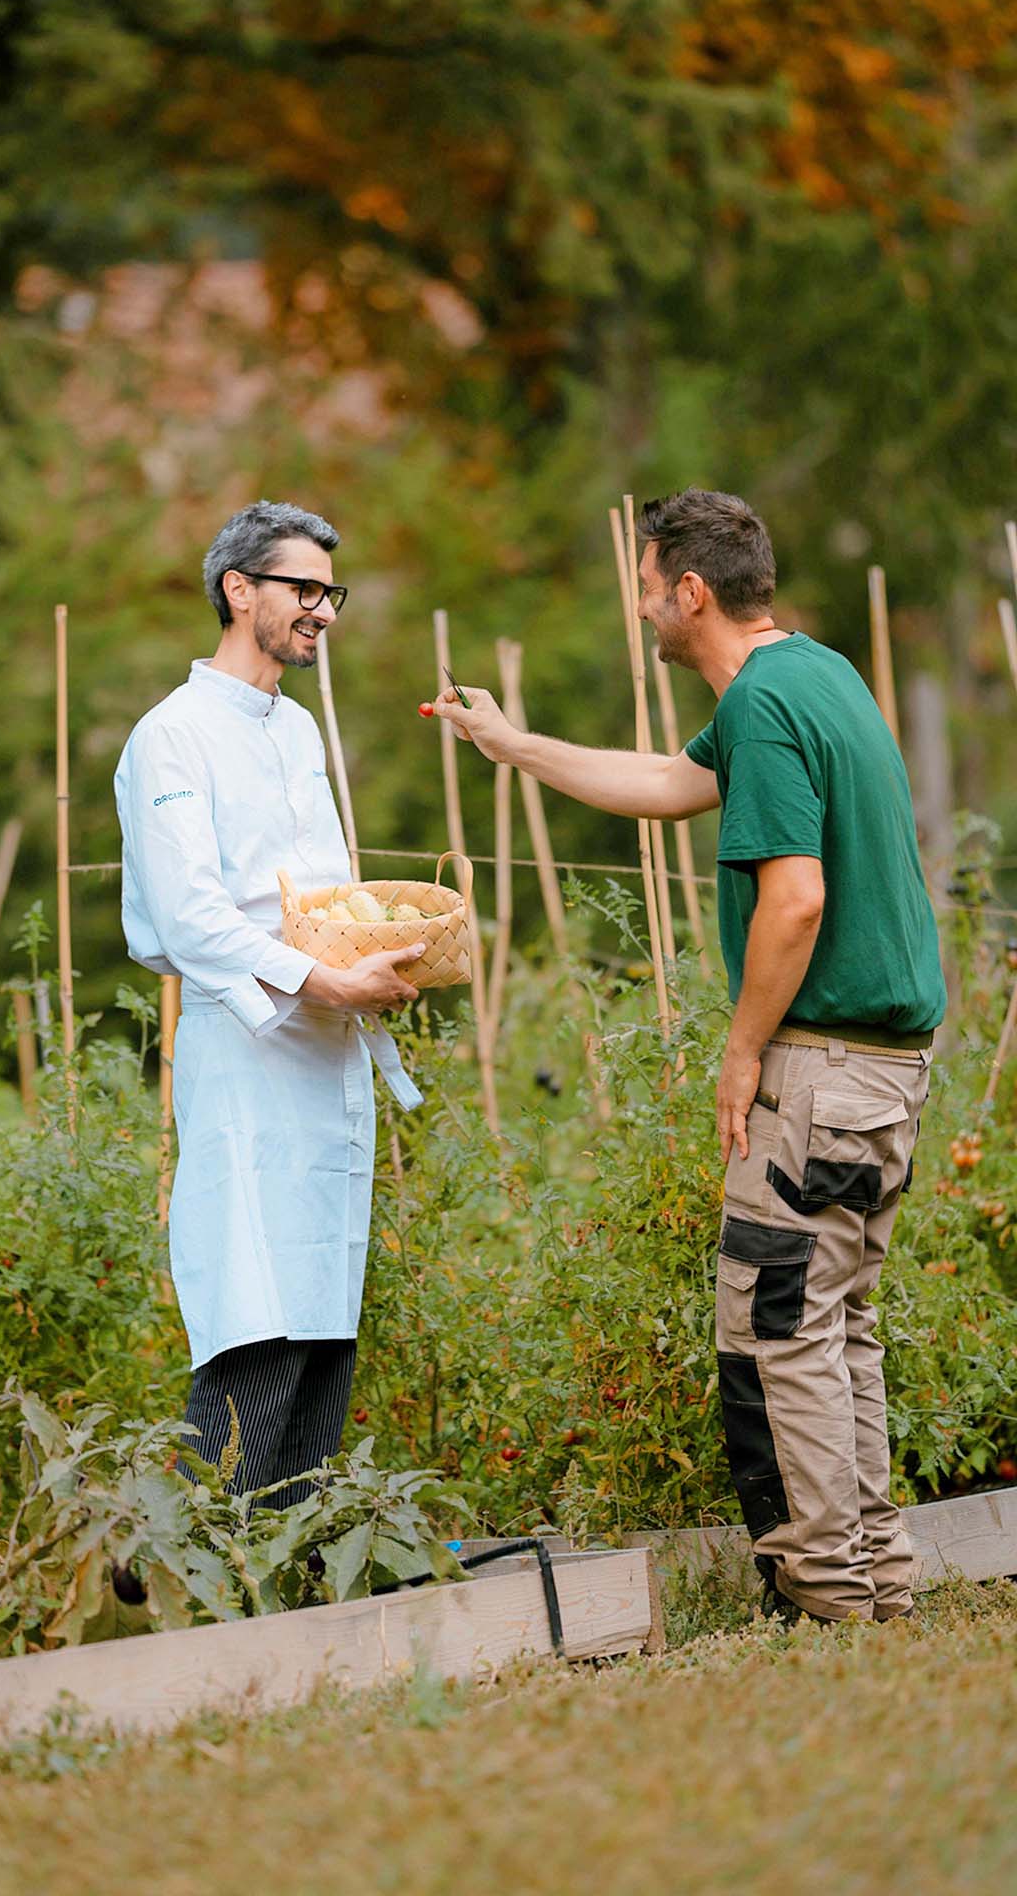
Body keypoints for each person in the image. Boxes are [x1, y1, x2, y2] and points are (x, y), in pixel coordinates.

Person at [427, 487, 946, 1624]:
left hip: (814, 1070)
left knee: (776, 1324)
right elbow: (669, 784)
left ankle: (822, 1591)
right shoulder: (813, 674)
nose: (641, 612)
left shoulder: (763, 704)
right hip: (882, 1072)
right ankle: (874, 1578)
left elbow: (795, 901)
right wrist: (507, 741)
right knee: (832, 1320)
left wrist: (738, 1050)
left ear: (690, 592)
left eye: (647, 592)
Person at [115, 500, 425, 1507]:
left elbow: (318, 894)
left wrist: (379, 950)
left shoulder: (294, 731)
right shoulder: (171, 739)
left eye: (328, 593)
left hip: (329, 1044)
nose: (322, 611)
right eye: (303, 588)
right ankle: (168, 1561)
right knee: (256, 1308)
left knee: (323, 1309)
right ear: (236, 590)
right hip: (248, 1043)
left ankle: (287, 1568)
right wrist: (318, 979)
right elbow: (190, 913)